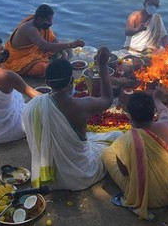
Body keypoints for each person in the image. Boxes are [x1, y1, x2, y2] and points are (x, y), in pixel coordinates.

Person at [21, 47, 122, 190]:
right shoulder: (81, 105)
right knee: (118, 136)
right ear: (72, 81)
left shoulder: (33, 106)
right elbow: (107, 99)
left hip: (50, 179)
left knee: (92, 137)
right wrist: (103, 66)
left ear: (48, 83)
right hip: (82, 175)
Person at [102, 87, 168, 219]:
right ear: (153, 112)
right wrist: (157, 99)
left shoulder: (126, 140)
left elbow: (125, 173)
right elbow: (164, 112)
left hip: (145, 198)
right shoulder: (166, 126)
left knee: (107, 153)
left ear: (129, 116)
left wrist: (137, 156)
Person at [3, 4, 85, 77]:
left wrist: (64, 53)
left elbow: (53, 41)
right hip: (20, 60)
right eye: (48, 21)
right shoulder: (30, 29)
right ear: (40, 19)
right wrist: (71, 44)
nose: (50, 23)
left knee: (64, 48)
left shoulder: (40, 24)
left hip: (36, 52)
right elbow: (45, 45)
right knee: (43, 68)